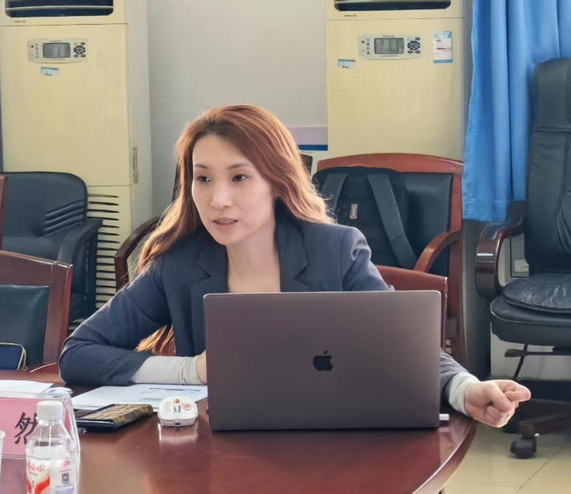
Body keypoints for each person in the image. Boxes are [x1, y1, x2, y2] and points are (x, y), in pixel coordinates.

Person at [59, 104, 530, 428]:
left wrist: (464, 389)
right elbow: (79, 353)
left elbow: (402, 345)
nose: (218, 200)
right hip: (220, 451)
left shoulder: (335, 250)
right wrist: (192, 371)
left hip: (330, 442)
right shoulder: (179, 265)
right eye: (202, 179)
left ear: (276, 181)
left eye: (239, 177)